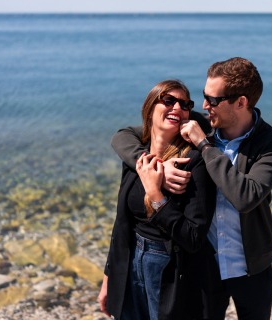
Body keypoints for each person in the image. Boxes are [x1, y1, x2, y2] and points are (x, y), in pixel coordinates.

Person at [111, 57, 272, 320]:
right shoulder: (203, 121)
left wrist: (205, 146)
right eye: (205, 97)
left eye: (213, 100)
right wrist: (155, 166)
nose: (205, 106)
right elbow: (124, 136)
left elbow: (245, 197)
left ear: (241, 102)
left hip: (251, 266)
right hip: (203, 266)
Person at [98, 79, 216, 320]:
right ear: (150, 108)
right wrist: (109, 277)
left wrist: (156, 196)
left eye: (185, 104)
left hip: (168, 268)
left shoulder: (194, 162)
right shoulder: (136, 157)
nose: (177, 108)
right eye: (169, 100)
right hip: (130, 260)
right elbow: (122, 222)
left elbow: (193, 238)